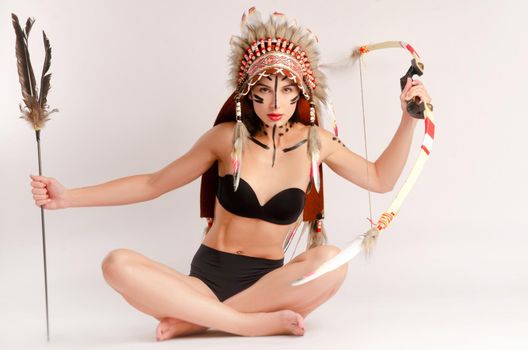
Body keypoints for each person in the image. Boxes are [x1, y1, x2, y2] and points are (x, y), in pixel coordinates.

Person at [29, 8, 431, 340]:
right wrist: (69, 196)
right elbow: (153, 183)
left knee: (332, 262)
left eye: (287, 90)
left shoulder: (316, 142)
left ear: (302, 92)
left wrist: (408, 119)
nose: (275, 102)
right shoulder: (225, 139)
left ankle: (197, 320)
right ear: (248, 92)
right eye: (264, 90)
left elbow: (380, 179)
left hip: (267, 287)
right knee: (116, 263)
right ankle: (240, 323)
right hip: (201, 283)